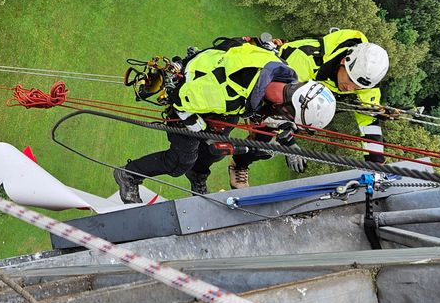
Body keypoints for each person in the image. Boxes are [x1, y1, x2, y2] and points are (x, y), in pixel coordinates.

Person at [113, 42, 337, 204]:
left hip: (220, 95)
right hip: (190, 98)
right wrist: (200, 129)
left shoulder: (282, 72)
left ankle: (197, 174)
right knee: (180, 161)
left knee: (217, 150)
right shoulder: (224, 94)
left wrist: (288, 141)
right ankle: (129, 174)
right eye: (289, 117)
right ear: (287, 104)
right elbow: (180, 102)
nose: (285, 120)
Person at [278, 29, 390, 167]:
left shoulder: (365, 83)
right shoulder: (306, 58)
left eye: (357, 87)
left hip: (295, 97)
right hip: (263, 83)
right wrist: (288, 143)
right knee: (263, 138)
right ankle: (243, 165)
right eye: (350, 79)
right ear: (344, 61)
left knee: (264, 148)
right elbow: (275, 97)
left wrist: (376, 161)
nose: (350, 88)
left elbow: (369, 121)